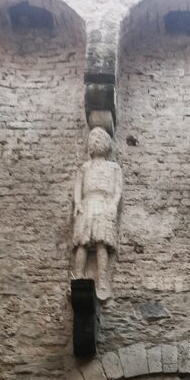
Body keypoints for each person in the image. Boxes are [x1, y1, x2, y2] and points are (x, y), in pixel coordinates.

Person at [72, 126, 123, 300]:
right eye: (92, 140)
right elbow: (78, 188)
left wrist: (114, 205)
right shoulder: (85, 167)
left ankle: (102, 281)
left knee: (102, 242)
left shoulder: (114, 168)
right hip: (87, 205)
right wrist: (78, 204)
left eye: (98, 140)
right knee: (82, 242)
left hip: (104, 204)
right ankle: (77, 277)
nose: (94, 143)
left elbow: (117, 190)